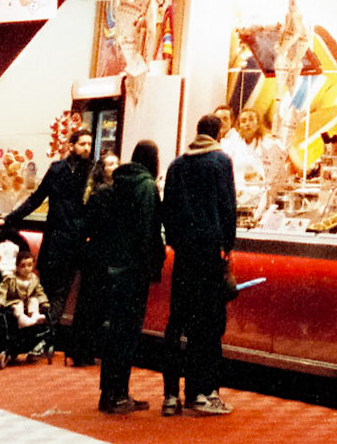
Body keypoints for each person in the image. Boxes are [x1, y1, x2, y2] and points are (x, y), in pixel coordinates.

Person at [0, 125, 93, 359]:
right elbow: (36, 198)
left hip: (62, 241)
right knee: (51, 293)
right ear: (71, 145)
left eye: (89, 144)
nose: (87, 148)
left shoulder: (75, 171)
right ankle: (42, 338)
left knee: (52, 292)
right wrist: (10, 218)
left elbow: (37, 199)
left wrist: (9, 219)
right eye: (83, 144)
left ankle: (41, 338)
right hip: (65, 241)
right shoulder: (76, 171)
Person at [161, 113, 236, 417]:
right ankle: (200, 392)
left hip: (184, 254)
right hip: (209, 254)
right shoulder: (220, 162)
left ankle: (170, 396)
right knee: (206, 323)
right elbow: (228, 207)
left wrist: (176, 242)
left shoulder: (177, 164)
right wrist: (227, 246)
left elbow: (168, 208)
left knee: (177, 320)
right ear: (218, 134)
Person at [87, 139, 165, 414]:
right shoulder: (146, 187)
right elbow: (148, 231)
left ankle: (109, 392)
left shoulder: (118, 182)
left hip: (115, 266)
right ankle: (118, 394)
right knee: (128, 333)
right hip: (135, 269)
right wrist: (154, 263)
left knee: (115, 332)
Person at [69, 147, 120, 368]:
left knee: (89, 303)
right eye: (110, 164)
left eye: (116, 163)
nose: (115, 167)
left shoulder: (96, 192)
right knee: (95, 304)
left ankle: (81, 349)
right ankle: (84, 350)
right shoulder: (107, 193)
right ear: (102, 169)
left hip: (93, 253)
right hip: (101, 254)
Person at [0, 251, 50, 361]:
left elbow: (39, 292)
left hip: (27, 303)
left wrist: (44, 301)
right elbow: (2, 291)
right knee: (18, 303)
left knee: (34, 299)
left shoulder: (33, 278)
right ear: (17, 267)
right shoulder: (11, 279)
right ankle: (22, 319)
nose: (26, 269)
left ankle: (34, 316)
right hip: (13, 301)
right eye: (23, 266)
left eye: (29, 265)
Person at [223, 109, 267, 219]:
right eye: (243, 121)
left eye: (251, 119)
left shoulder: (267, 145)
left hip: (260, 201)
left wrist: (259, 175)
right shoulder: (233, 147)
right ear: (239, 126)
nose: (247, 124)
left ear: (258, 123)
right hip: (239, 198)